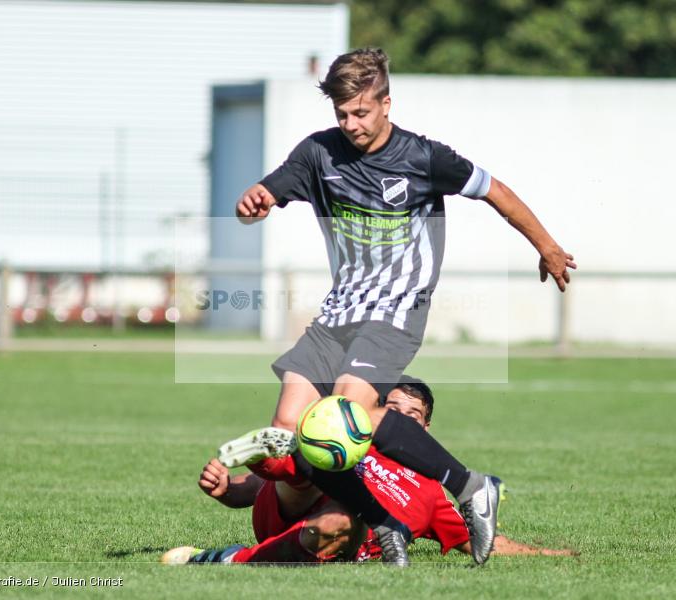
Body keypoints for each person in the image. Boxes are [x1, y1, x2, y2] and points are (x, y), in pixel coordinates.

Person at [222, 47, 576, 566]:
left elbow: (494, 190)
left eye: (361, 112)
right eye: (341, 114)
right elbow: (268, 193)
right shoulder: (319, 154)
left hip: (395, 308)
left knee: (348, 412)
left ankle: (471, 486)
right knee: (296, 436)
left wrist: (545, 245)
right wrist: (252, 202)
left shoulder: (425, 158)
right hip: (338, 313)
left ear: (386, 103)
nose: (351, 124)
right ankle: (383, 520)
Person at [165, 378, 571, 565]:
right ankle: (264, 450)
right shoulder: (350, 441)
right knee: (316, 459)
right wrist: (229, 489)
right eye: (390, 411)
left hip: (330, 532)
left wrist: (553, 555)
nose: (400, 420)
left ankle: (225, 560)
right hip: (288, 503)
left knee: (341, 516)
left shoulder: (429, 491)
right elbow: (253, 492)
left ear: (426, 430)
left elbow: (478, 539)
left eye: (412, 416)